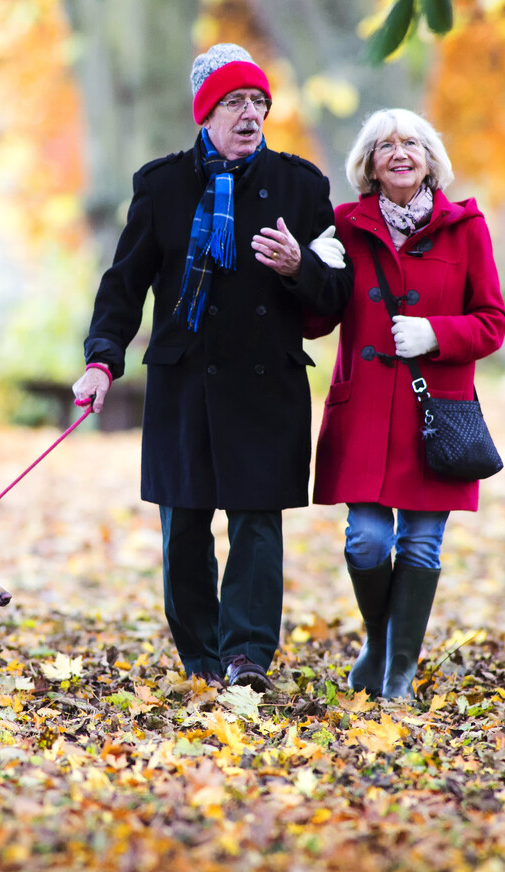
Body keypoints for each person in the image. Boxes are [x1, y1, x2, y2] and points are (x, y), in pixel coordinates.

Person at [72, 43, 350, 692]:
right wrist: (101, 361)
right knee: (184, 527)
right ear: (206, 112)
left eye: (259, 102)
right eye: (234, 102)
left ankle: (248, 656)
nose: (250, 114)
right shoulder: (162, 185)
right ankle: (200, 656)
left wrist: (297, 268)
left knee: (256, 524)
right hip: (184, 381)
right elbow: (122, 287)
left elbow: (335, 296)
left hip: (266, 381)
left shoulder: (302, 187)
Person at [306, 108, 505, 700]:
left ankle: (396, 672)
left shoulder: (465, 228)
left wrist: (436, 335)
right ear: (368, 164)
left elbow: (493, 321)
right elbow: (316, 323)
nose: (400, 152)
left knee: (421, 544)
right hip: (366, 412)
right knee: (365, 540)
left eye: (413, 142)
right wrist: (315, 271)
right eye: (385, 144)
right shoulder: (344, 225)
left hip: (433, 415)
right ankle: (380, 639)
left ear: (430, 158)